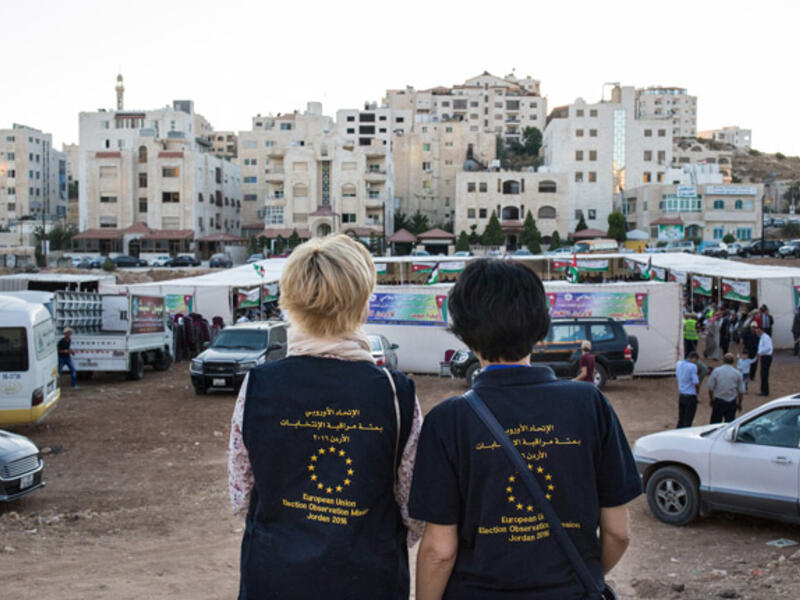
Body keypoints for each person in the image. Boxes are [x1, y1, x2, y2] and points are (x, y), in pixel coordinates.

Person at [409, 259, 641, 600]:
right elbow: (618, 533)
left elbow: (439, 551)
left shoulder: (448, 420)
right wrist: (580, 577)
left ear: (465, 333)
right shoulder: (589, 404)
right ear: (540, 326)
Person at [227, 234, 423, 600]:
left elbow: (241, 495)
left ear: (288, 302)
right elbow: (413, 510)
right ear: (363, 306)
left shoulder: (257, 385)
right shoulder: (396, 393)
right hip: (368, 581)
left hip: (274, 581)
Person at [706, 353, 745, 423]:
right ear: (733, 362)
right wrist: (739, 403)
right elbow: (741, 391)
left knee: (714, 424)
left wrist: (711, 399)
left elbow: (710, 387)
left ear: (723, 360)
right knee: (729, 425)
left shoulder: (717, 371)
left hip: (719, 401)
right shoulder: (737, 373)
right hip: (731, 402)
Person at [675, 352, 700, 428]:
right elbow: (696, 382)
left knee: (681, 418)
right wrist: (697, 391)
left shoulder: (678, 364)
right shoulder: (692, 366)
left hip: (682, 394)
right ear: (694, 358)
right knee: (688, 420)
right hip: (690, 396)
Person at [755, 324, 773, 397]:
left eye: (758, 331)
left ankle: (765, 391)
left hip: (766, 357)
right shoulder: (763, 337)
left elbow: (768, 348)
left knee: (764, 374)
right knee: (763, 374)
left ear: (761, 330)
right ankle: (763, 389)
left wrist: (759, 353)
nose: (757, 333)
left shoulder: (765, 337)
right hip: (764, 356)